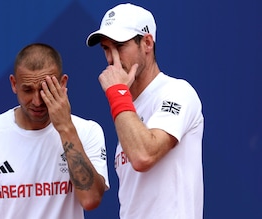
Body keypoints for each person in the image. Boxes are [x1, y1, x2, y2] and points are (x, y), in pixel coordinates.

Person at [0, 43, 109, 219]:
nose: (37, 101)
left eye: (45, 88)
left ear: (63, 84)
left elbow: (91, 199)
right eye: (28, 90)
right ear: (14, 84)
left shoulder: (87, 131)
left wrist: (65, 128)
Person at [86, 3, 204, 219]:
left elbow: (143, 155)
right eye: (106, 48)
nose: (112, 59)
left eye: (119, 46)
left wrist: (117, 93)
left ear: (147, 43)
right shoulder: (127, 109)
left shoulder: (177, 91)